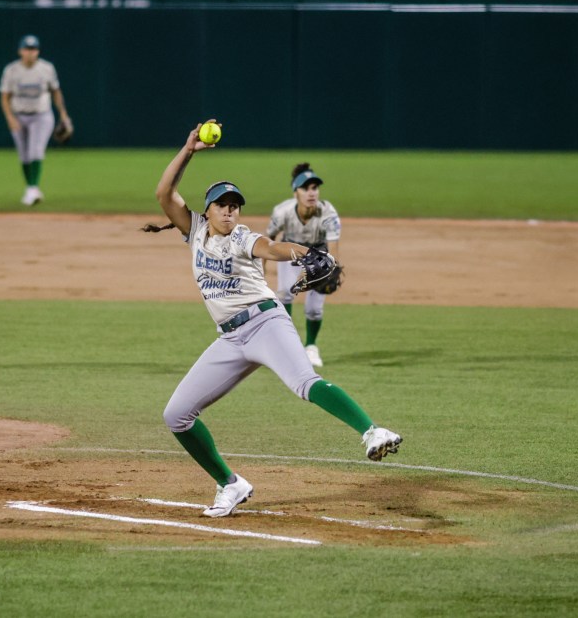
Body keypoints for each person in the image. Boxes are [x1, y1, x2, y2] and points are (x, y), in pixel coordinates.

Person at [143, 122, 402, 518]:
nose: (229, 210)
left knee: (304, 382)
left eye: (234, 204)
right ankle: (230, 484)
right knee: (176, 415)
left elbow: (273, 247)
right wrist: (189, 149)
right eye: (222, 204)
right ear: (207, 210)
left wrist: (302, 253)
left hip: (266, 324)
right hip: (230, 339)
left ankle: (372, 431)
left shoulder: (242, 236)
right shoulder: (194, 230)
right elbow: (164, 193)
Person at [266, 162, 340, 368]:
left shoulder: (328, 213)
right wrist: (260, 270)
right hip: (291, 252)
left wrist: (329, 272)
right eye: (305, 188)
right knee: (285, 293)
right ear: (295, 193)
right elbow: (267, 241)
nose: (311, 193)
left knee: (314, 309)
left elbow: (333, 249)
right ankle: (287, 346)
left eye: (314, 188)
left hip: (319, 255)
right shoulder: (282, 212)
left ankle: (311, 347)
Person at [0, 34, 73, 206]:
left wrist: (63, 114)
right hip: (19, 115)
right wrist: (10, 117)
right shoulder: (12, 70)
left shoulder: (46, 68)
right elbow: (4, 97)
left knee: (35, 151)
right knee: (24, 156)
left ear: (38, 51)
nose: (30, 52)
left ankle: (33, 188)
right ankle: (30, 188)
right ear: (20, 51)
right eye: (27, 49)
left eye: (33, 49)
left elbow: (56, 91)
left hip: (41, 115)